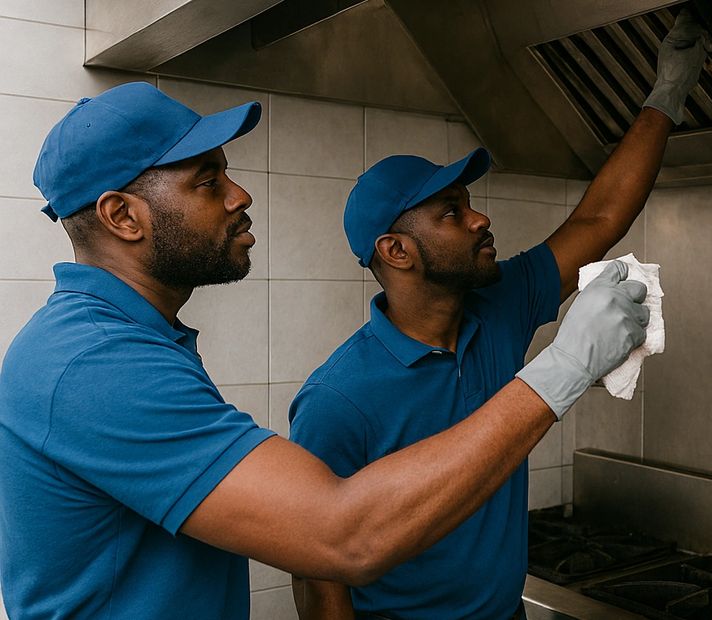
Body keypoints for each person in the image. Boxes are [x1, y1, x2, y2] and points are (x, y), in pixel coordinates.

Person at [0, 82, 648, 619]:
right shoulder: (94, 364)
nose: (240, 195)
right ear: (122, 216)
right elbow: (341, 536)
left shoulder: (130, 341)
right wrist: (564, 366)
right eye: (206, 180)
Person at [284, 11, 712, 620]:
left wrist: (666, 94)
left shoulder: (498, 306)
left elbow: (597, 220)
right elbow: (318, 578)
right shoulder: (338, 399)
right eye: (451, 214)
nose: (480, 219)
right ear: (396, 251)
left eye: (470, 205)